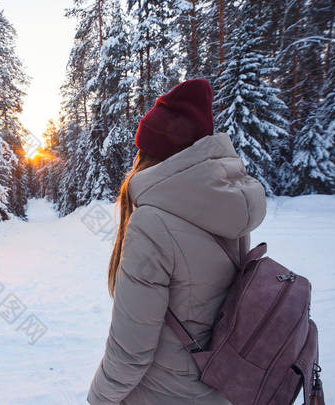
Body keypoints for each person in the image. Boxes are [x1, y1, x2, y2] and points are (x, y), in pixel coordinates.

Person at [87, 79, 267, 405]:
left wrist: (98, 399)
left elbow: (130, 354)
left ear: (150, 156)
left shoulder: (151, 224)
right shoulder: (224, 203)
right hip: (223, 388)